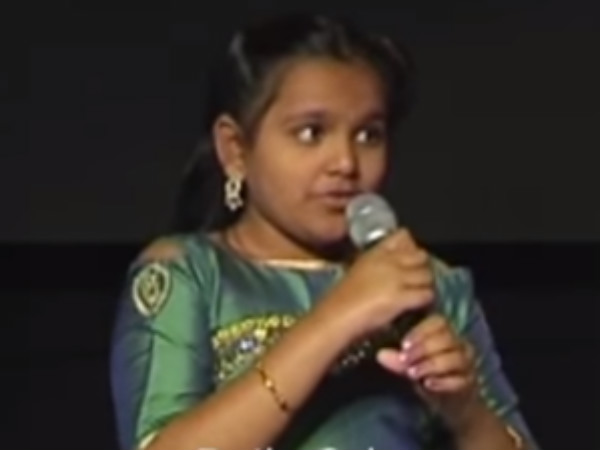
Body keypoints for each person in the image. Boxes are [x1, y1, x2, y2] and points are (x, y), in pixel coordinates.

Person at [110, 13, 539, 450]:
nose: (346, 163)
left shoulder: (429, 286)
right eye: (311, 133)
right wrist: (337, 318)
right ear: (235, 149)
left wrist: (466, 413)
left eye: (368, 135)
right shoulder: (189, 275)